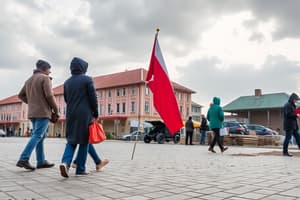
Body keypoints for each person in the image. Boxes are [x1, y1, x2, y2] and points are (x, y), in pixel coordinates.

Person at [59, 57, 99, 178]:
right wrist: (95, 112)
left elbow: (66, 99)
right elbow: (93, 98)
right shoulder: (87, 80)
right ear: (83, 67)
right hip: (85, 114)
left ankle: (65, 163)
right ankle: (80, 169)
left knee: (71, 140)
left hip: (70, 113)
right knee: (84, 141)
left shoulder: (66, 82)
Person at [16, 59, 59, 171]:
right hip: (43, 112)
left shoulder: (29, 80)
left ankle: (41, 161)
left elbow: (20, 95)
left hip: (32, 113)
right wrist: (56, 110)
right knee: (38, 135)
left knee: (40, 136)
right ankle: (23, 158)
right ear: (45, 69)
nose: (50, 72)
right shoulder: (45, 78)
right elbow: (49, 96)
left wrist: (32, 102)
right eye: (49, 70)